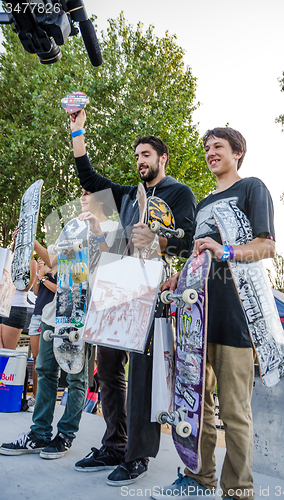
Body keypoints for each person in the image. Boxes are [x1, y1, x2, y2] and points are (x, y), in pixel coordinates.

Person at [70, 109, 196, 485]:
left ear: (162, 159)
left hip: (152, 287)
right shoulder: (127, 196)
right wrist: (77, 131)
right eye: (137, 155)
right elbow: (88, 179)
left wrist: (159, 240)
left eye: (147, 155)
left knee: (141, 375)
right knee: (107, 368)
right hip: (115, 285)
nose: (141, 160)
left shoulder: (179, 193)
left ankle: (138, 455)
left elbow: (187, 240)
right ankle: (114, 444)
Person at [156, 127, 276, 500]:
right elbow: (198, 255)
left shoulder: (252, 188)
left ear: (237, 152)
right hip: (197, 319)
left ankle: (238, 491)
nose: (210, 152)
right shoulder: (206, 201)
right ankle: (199, 478)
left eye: (218, 147)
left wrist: (225, 251)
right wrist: (177, 277)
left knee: (235, 413)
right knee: (196, 405)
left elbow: (266, 246)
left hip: (237, 318)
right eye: (207, 147)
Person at [0, 190, 117, 459]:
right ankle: (38, 433)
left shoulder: (111, 227)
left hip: (84, 311)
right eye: (82, 192)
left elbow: (111, 260)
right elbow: (51, 261)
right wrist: (29, 243)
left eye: (89, 192)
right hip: (57, 310)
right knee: (45, 370)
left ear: (101, 198)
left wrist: (97, 230)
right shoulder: (71, 225)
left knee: (76, 375)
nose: (83, 195)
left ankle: (65, 434)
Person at [0, 227, 37, 350]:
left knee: (6, 353)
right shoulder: (7, 257)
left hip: (15, 308)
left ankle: (7, 370)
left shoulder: (31, 262)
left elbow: (26, 287)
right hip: (2, 306)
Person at [27, 256, 57, 405]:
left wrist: (44, 277)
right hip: (37, 314)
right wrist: (40, 275)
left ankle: (45, 398)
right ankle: (35, 395)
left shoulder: (59, 269)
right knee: (35, 357)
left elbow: (59, 290)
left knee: (47, 360)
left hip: (51, 317)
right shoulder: (44, 270)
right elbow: (36, 292)